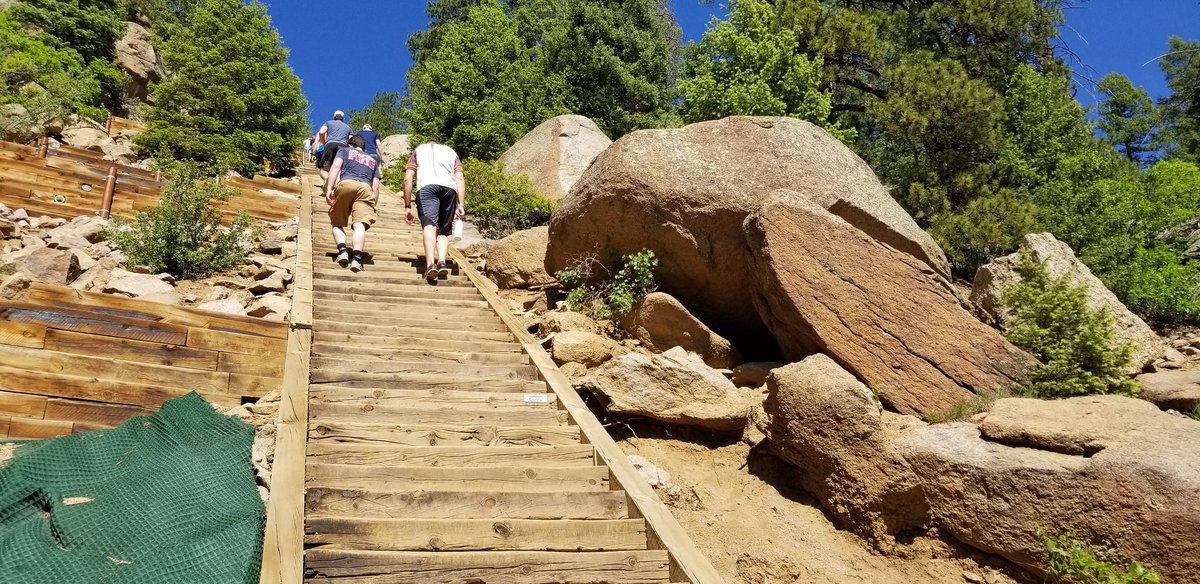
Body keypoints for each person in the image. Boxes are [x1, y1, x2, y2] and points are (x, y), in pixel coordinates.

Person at [403, 140, 465, 281]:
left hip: (427, 187)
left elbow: (408, 178)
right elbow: (460, 179)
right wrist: (460, 205)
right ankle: (442, 262)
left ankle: (431, 264)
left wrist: (407, 206)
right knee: (443, 230)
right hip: (449, 189)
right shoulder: (451, 151)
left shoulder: (419, 150)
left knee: (429, 225)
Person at [325, 134, 382, 272]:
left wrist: (329, 188)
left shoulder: (344, 150)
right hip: (365, 188)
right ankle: (356, 259)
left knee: (337, 222)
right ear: (364, 148)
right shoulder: (373, 160)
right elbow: (376, 186)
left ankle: (343, 251)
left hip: (346, 184)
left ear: (351, 145)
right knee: (360, 224)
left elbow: (336, 166)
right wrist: (373, 203)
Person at [316, 110, 352, 180]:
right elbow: (351, 141)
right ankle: (336, 185)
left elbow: (321, 132)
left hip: (330, 145)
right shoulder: (348, 127)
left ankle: (327, 180)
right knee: (338, 169)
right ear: (343, 118)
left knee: (324, 169)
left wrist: (323, 143)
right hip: (343, 147)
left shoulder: (328, 123)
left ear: (334, 117)